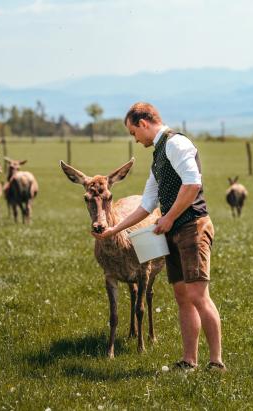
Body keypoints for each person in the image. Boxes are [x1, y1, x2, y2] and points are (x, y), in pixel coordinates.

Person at [92, 102, 225, 371]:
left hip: (193, 228)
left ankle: (216, 362)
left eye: (133, 132)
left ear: (143, 123)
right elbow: (146, 204)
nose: (135, 138)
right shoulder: (158, 156)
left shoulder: (176, 145)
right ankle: (190, 361)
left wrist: (169, 217)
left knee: (199, 295)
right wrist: (113, 231)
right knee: (182, 296)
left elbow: (192, 184)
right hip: (174, 231)